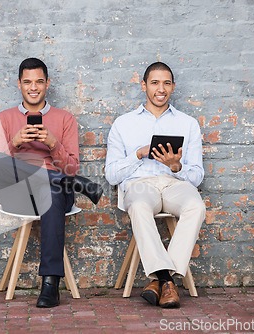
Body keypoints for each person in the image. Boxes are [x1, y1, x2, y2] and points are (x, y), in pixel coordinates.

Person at [0, 58, 103, 308]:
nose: (33, 87)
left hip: (54, 191)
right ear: (19, 84)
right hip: (16, 192)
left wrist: (52, 144)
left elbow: (72, 167)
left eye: (39, 81)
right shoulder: (3, 119)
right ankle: (73, 184)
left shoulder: (65, 119)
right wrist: (14, 142)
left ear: (48, 83)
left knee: (52, 190)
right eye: (27, 82)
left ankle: (50, 285)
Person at [105, 62, 206, 308]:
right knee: (139, 206)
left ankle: (161, 281)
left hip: (174, 182)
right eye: (154, 83)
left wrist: (176, 166)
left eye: (166, 83)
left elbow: (198, 176)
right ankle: (166, 280)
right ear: (144, 86)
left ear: (172, 87)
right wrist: (138, 154)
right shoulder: (123, 123)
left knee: (196, 206)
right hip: (140, 184)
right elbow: (111, 175)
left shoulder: (188, 123)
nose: (161, 89)